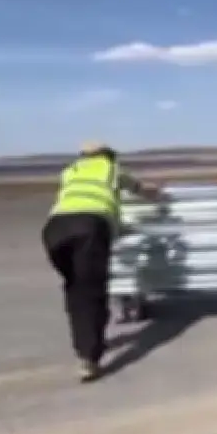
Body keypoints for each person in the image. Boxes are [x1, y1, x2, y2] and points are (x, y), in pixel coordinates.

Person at [41, 141, 161, 382]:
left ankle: (85, 344)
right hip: (89, 227)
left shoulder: (70, 171)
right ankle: (89, 358)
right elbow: (140, 189)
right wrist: (158, 195)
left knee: (75, 288)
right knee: (91, 291)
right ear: (108, 155)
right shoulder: (111, 169)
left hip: (54, 230)